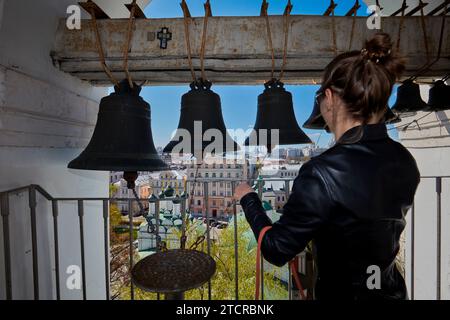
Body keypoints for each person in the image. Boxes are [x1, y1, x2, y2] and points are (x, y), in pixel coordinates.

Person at [234, 33, 420, 300]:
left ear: (329, 98)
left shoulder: (322, 173)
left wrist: (248, 198)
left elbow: (276, 248)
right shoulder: (404, 161)